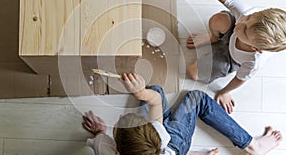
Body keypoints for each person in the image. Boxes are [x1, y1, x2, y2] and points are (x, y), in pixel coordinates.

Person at [155, 0, 286, 114]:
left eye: (245, 30)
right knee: (219, 19)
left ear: (256, 48)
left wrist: (225, 92)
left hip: (231, 59)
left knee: (192, 73)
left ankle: (217, 44)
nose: (240, 23)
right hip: (229, 37)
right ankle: (213, 38)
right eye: (249, 18)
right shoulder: (246, 15)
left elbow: (240, 79)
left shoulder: (253, 62)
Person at [82, 73, 282, 155]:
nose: (117, 119)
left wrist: (100, 131)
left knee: (156, 89)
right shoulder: (160, 134)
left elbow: (96, 140)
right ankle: (252, 145)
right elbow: (154, 101)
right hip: (175, 144)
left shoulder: (105, 148)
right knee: (197, 98)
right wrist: (140, 93)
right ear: (153, 129)